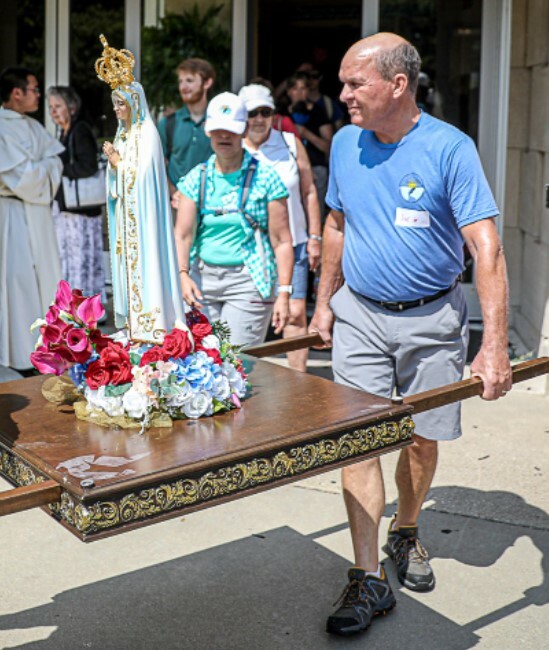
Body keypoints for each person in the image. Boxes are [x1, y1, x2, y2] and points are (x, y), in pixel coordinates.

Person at [309, 33, 512, 637]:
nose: (341, 94)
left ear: (398, 84)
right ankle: (366, 577)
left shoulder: (451, 149)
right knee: (358, 441)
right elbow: (337, 225)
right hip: (361, 315)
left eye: (354, 83)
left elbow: (486, 248)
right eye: (342, 82)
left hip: (432, 318)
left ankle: (407, 528)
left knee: (422, 439)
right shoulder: (346, 143)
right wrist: (324, 305)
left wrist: (494, 344)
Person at [174, 92, 294, 347]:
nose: (224, 136)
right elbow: (183, 234)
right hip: (201, 281)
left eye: (231, 130)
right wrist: (182, 274)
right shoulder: (196, 178)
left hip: (248, 281)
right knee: (203, 362)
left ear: (244, 131)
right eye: (218, 130)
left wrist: (284, 292)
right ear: (208, 131)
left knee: (238, 363)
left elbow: (282, 240)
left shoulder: (267, 178)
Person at [97, 35, 185, 343]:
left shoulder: (147, 135)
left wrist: (118, 164)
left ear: (134, 102)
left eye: (121, 104)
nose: (118, 110)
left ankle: (153, 326)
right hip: (127, 221)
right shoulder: (123, 135)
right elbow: (118, 181)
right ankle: (134, 326)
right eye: (115, 105)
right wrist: (113, 166)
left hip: (144, 223)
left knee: (148, 269)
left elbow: (143, 177)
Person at [239, 83, 322, 371]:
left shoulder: (289, 142)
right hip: (249, 247)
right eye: (252, 113)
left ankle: (298, 380)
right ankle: (243, 378)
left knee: (296, 312)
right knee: (250, 312)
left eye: (265, 112)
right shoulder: (232, 148)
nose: (259, 119)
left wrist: (315, 237)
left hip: (294, 241)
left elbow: (309, 191)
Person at [0, 66, 63, 372]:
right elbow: (25, 178)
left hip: (37, 216)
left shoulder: (35, 127)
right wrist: (41, 171)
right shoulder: (1, 127)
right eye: (34, 89)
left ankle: (46, 346)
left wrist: (40, 171)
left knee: (43, 281)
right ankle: (19, 352)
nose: (39, 95)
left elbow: (55, 164)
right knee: (17, 283)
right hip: (11, 215)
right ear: (17, 93)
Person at [46, 85, 106, 300]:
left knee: (81, 259)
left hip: (81, 213)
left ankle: (85, 304)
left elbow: (88, 166)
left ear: (71, 107)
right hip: (69, 210)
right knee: (71, 259)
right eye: (51, 107)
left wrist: (57, 168)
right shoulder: (63, 132)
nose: (53, 111)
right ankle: (75, 303)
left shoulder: (79, 130)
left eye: (58, 106)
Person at [157, 58, 216, 210]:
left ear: (207, 83)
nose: (183, 87)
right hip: (177, 205)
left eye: (189, 80)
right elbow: (159, 165)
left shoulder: (218, 122)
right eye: (180, 81)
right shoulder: (168, 123)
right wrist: (174, 192)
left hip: (214, 206)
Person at [279, 72, 333, 217]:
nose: (299, 93)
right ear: (289, 91)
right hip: (287, 168)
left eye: (303, 89)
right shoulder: (282, 114)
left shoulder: (318, 112)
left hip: (315, 167)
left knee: (315, 212)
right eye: (295, 89)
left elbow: (328, 146)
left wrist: (305, 133)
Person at [297, 62, 346, 131]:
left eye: (315, 76)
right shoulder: (297, 100)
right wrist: (297, 72)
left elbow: (341, 130)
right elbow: (277, 96)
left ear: (320, 77)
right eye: (307, 76)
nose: (311, 80)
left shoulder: (329, 104)